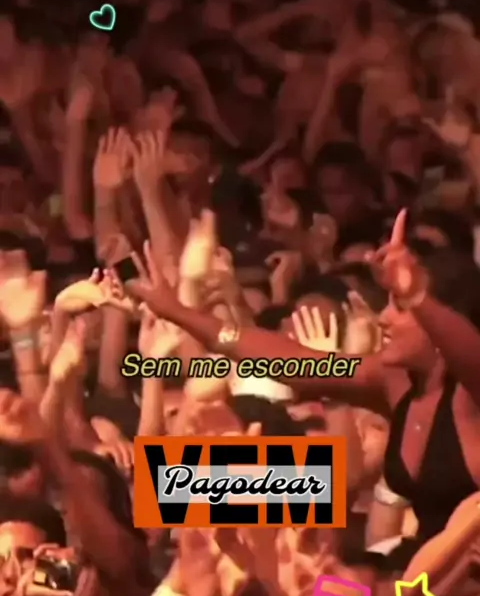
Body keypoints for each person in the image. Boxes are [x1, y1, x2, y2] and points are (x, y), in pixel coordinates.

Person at [125, 209, 480, 571]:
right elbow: (293, 363)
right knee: (169, 484)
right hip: (416, 577)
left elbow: (471, 357)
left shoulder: (472, 393)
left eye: (399, 307)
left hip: (459, 589)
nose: (383, 317)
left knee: (321, 508)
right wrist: (178, 311)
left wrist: (416, 294)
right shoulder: (395, 381)